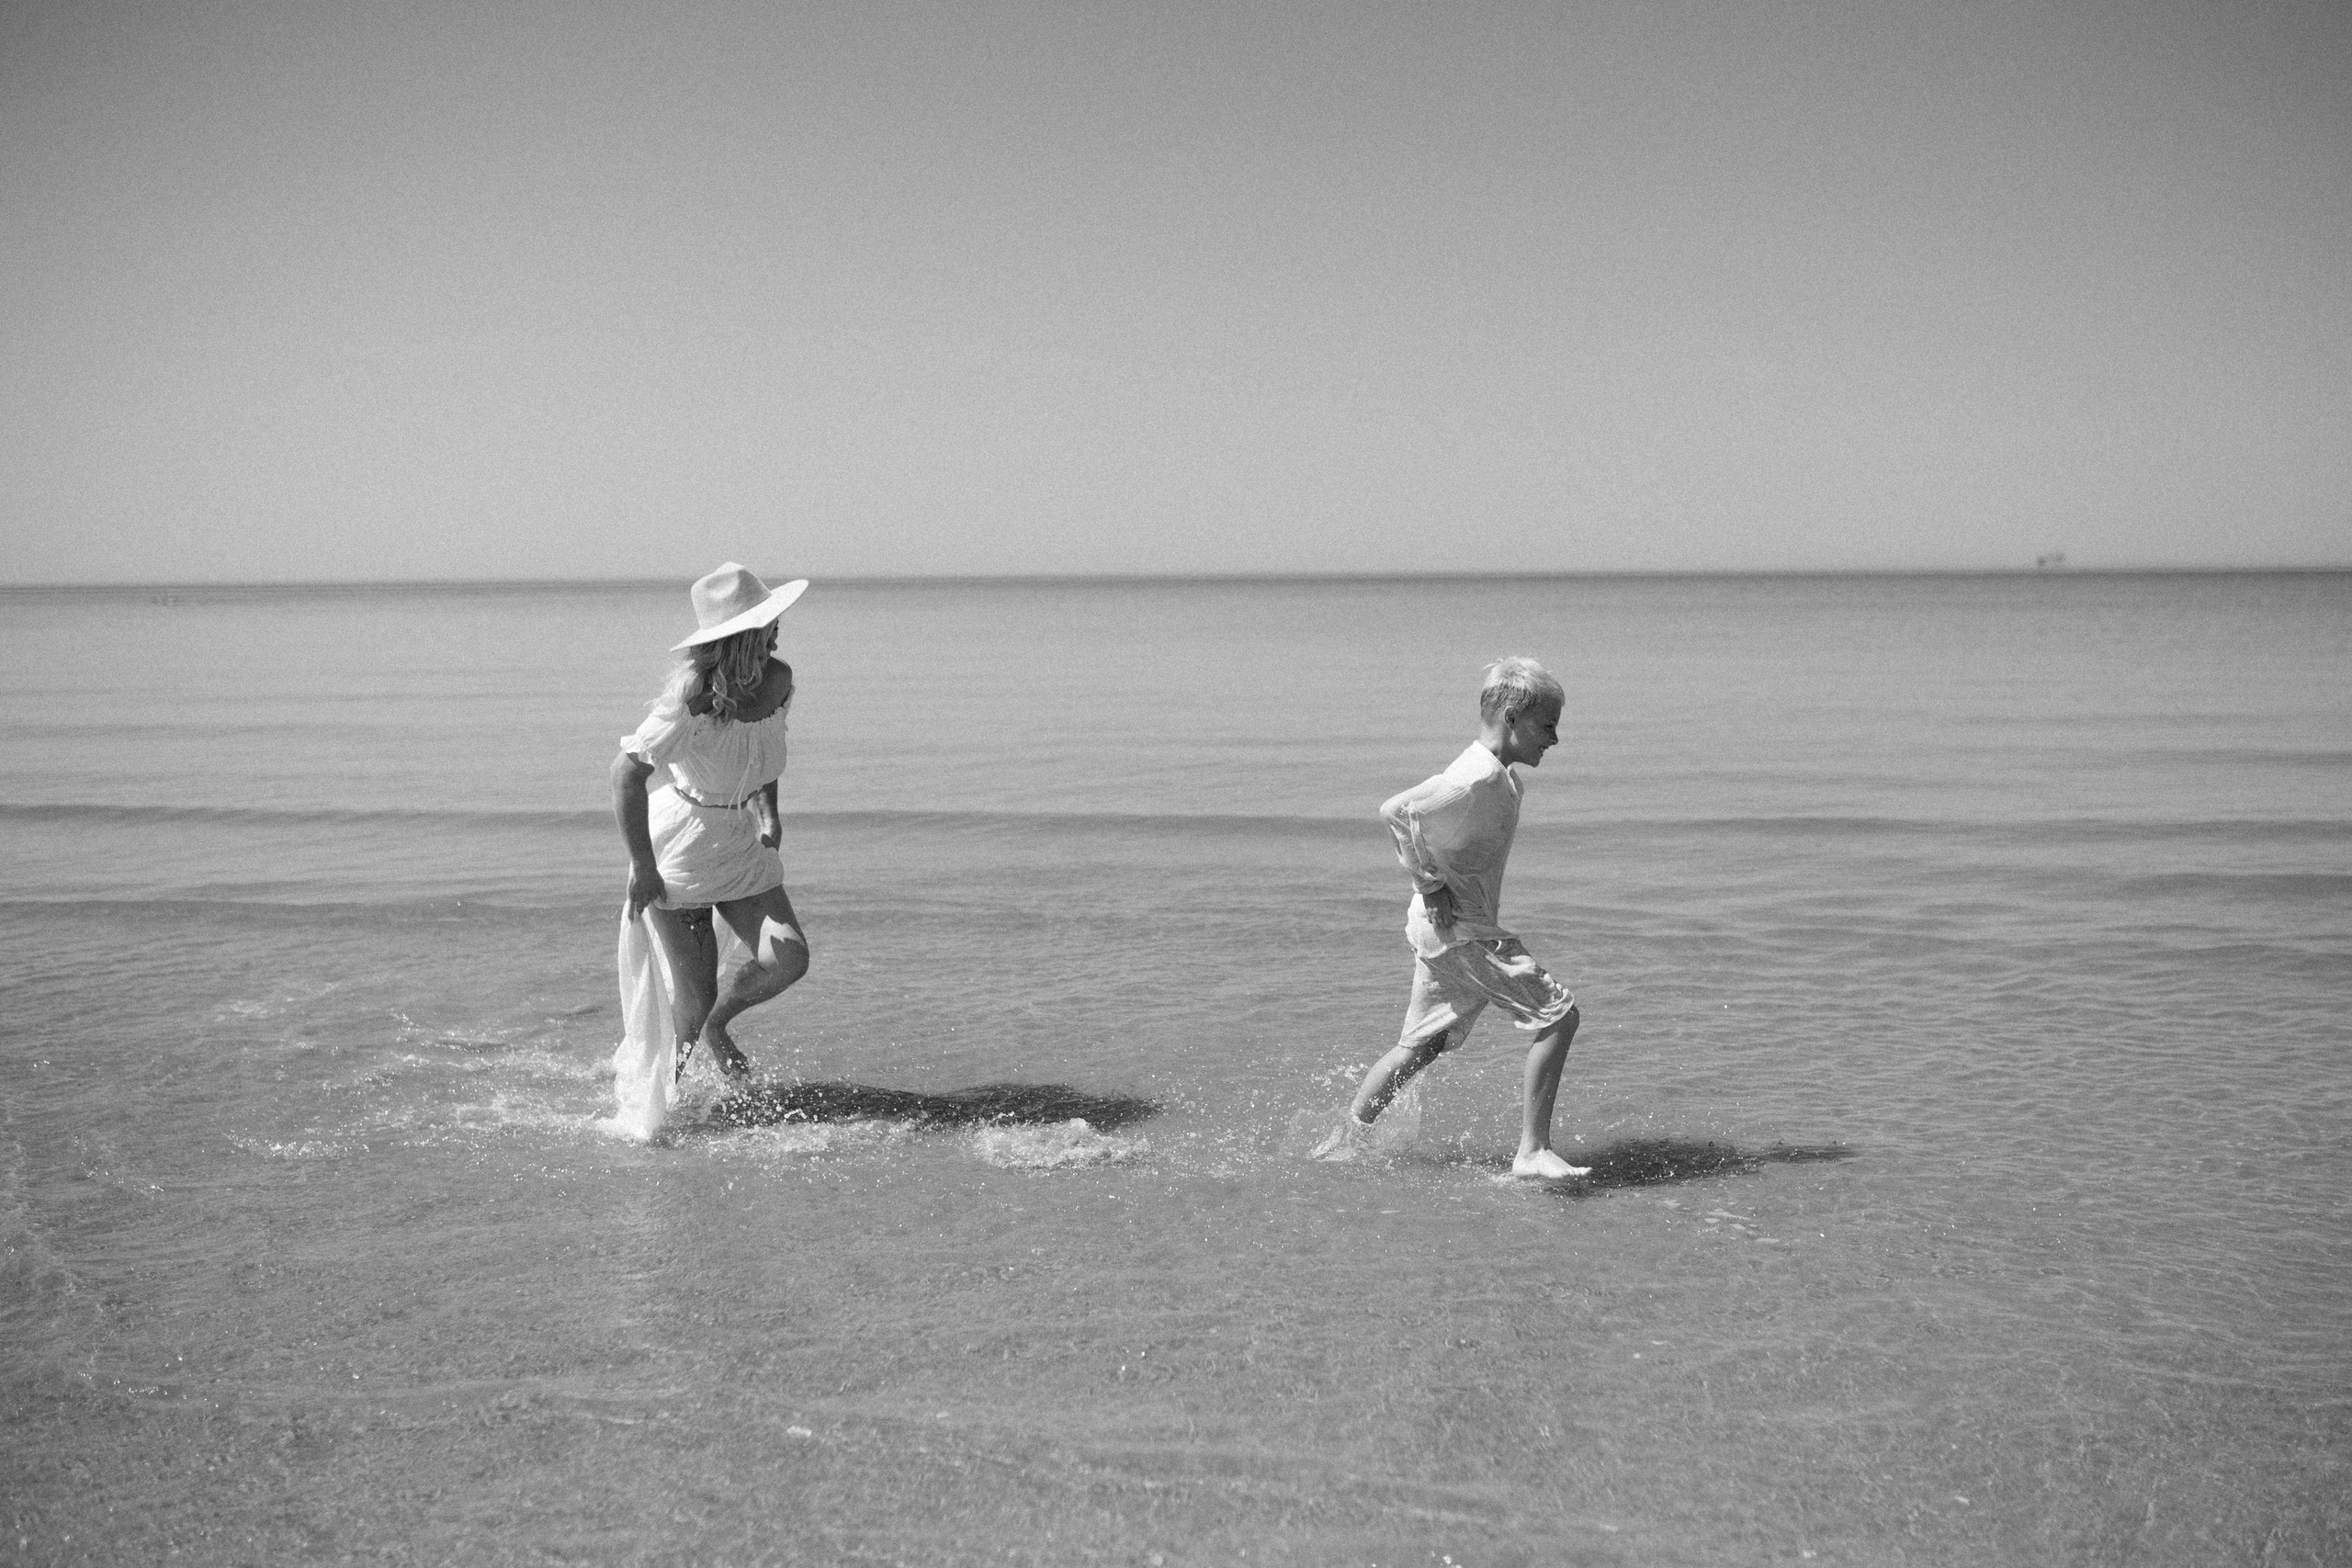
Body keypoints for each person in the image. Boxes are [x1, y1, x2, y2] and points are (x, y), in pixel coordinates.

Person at [1317, 656, 1589, 1179]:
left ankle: (1342, 1143)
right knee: (1559, 1016)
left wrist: (1434, 888)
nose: (1554, 739)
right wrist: (1431, 885)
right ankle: (1532, 1152)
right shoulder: (1476, 777)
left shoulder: (1499, 776)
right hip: (1462, 931)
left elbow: (1418, 822)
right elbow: (1397, 811)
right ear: (1512, 718)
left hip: (1444, 930)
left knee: (1421, 1046)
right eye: (1548, 726)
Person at [611, 562, 811, 1084]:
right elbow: (625, 776)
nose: (777, 631)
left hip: (739, 841)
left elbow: (761, 752)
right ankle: (669, 1097)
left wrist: (768, 813)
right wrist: (643, 867)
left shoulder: (778, 680)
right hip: (682, 849)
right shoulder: (693, 699)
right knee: (693, 1000)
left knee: (788, 959)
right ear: (743, 636)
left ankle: (719, 1029)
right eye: (769, 623)